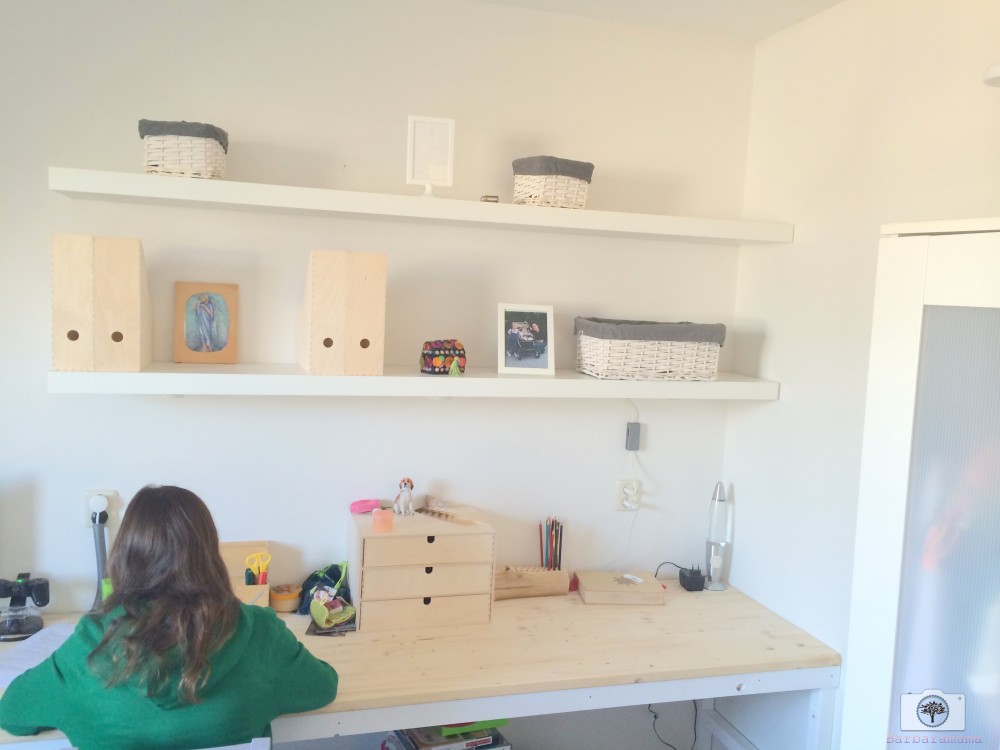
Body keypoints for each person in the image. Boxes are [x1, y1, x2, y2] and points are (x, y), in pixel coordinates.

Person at [0, 485, 338, 749]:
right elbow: (323, 687)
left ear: (125, 556)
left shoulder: (88, 647)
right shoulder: (260, 633)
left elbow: (12, 714)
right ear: (209, 556)